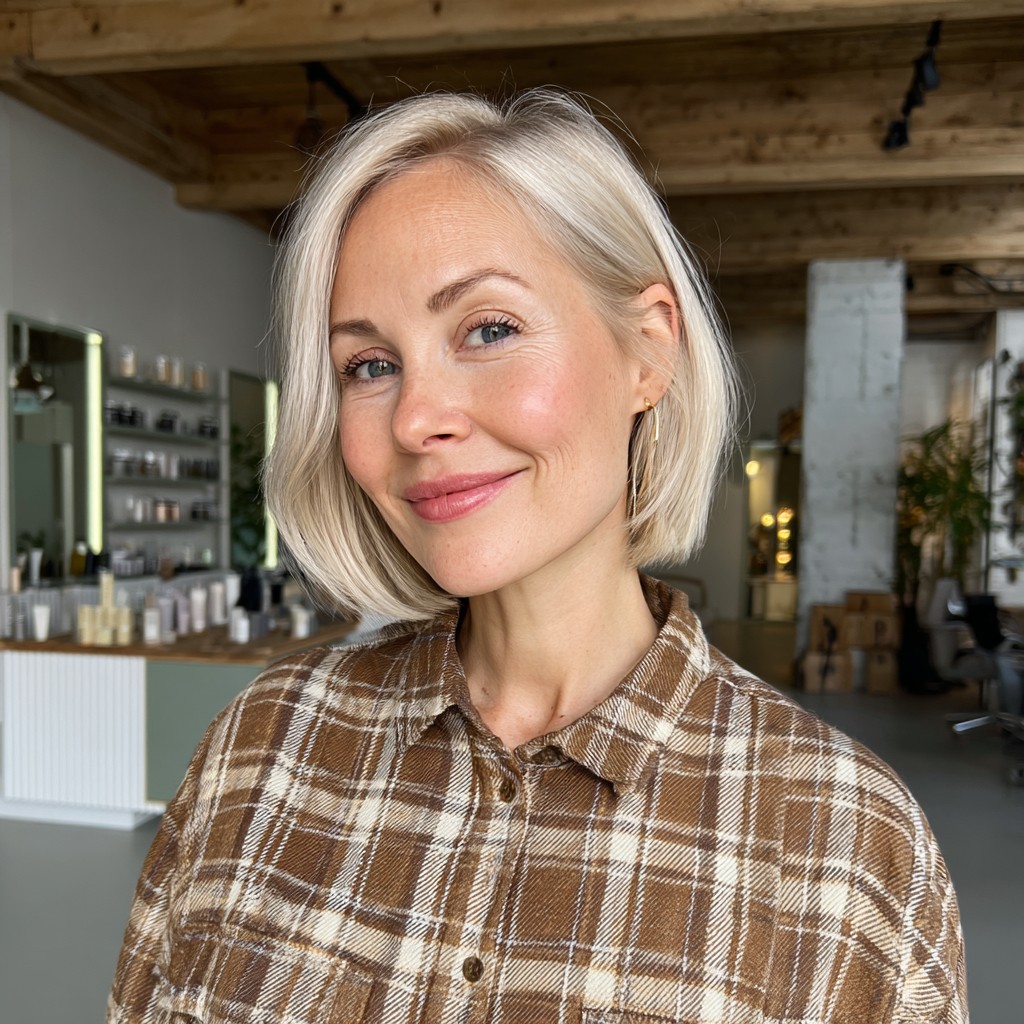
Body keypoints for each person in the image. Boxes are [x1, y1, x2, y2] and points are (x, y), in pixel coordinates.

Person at [108, 90, 967, 1024]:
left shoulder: (847, 841)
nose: (414, 418)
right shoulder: (258, 749)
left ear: (647, 351)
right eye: (368, 364)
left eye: (488, 329)